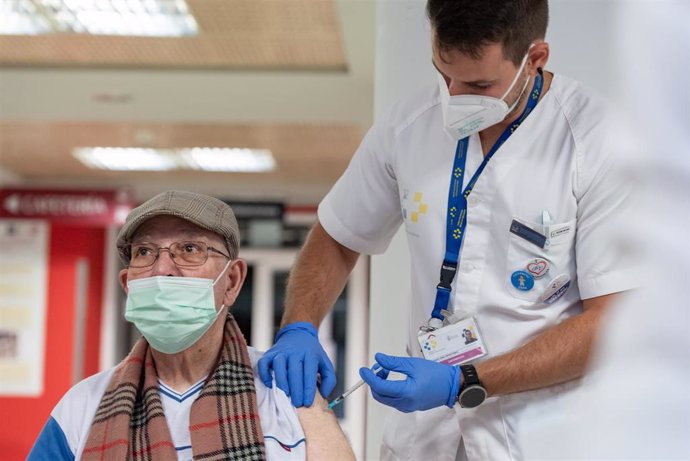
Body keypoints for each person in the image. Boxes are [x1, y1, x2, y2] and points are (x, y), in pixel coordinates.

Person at [257, 1, 638, 459]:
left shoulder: (600, 142)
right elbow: (337, 235)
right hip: (424, 441)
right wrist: (299, 325)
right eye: (443, 74)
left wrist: (465, 381)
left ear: (535, 58)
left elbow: (614, 323)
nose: (454, 97)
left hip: (542, 439)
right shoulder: (408, 125)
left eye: (478, 84)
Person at [27, 191, 354, 461]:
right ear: (128, 284)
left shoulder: (286, 395)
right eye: (144, 251)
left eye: (190, 249)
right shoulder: (82, 405)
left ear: (232, 281)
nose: (163, 269)